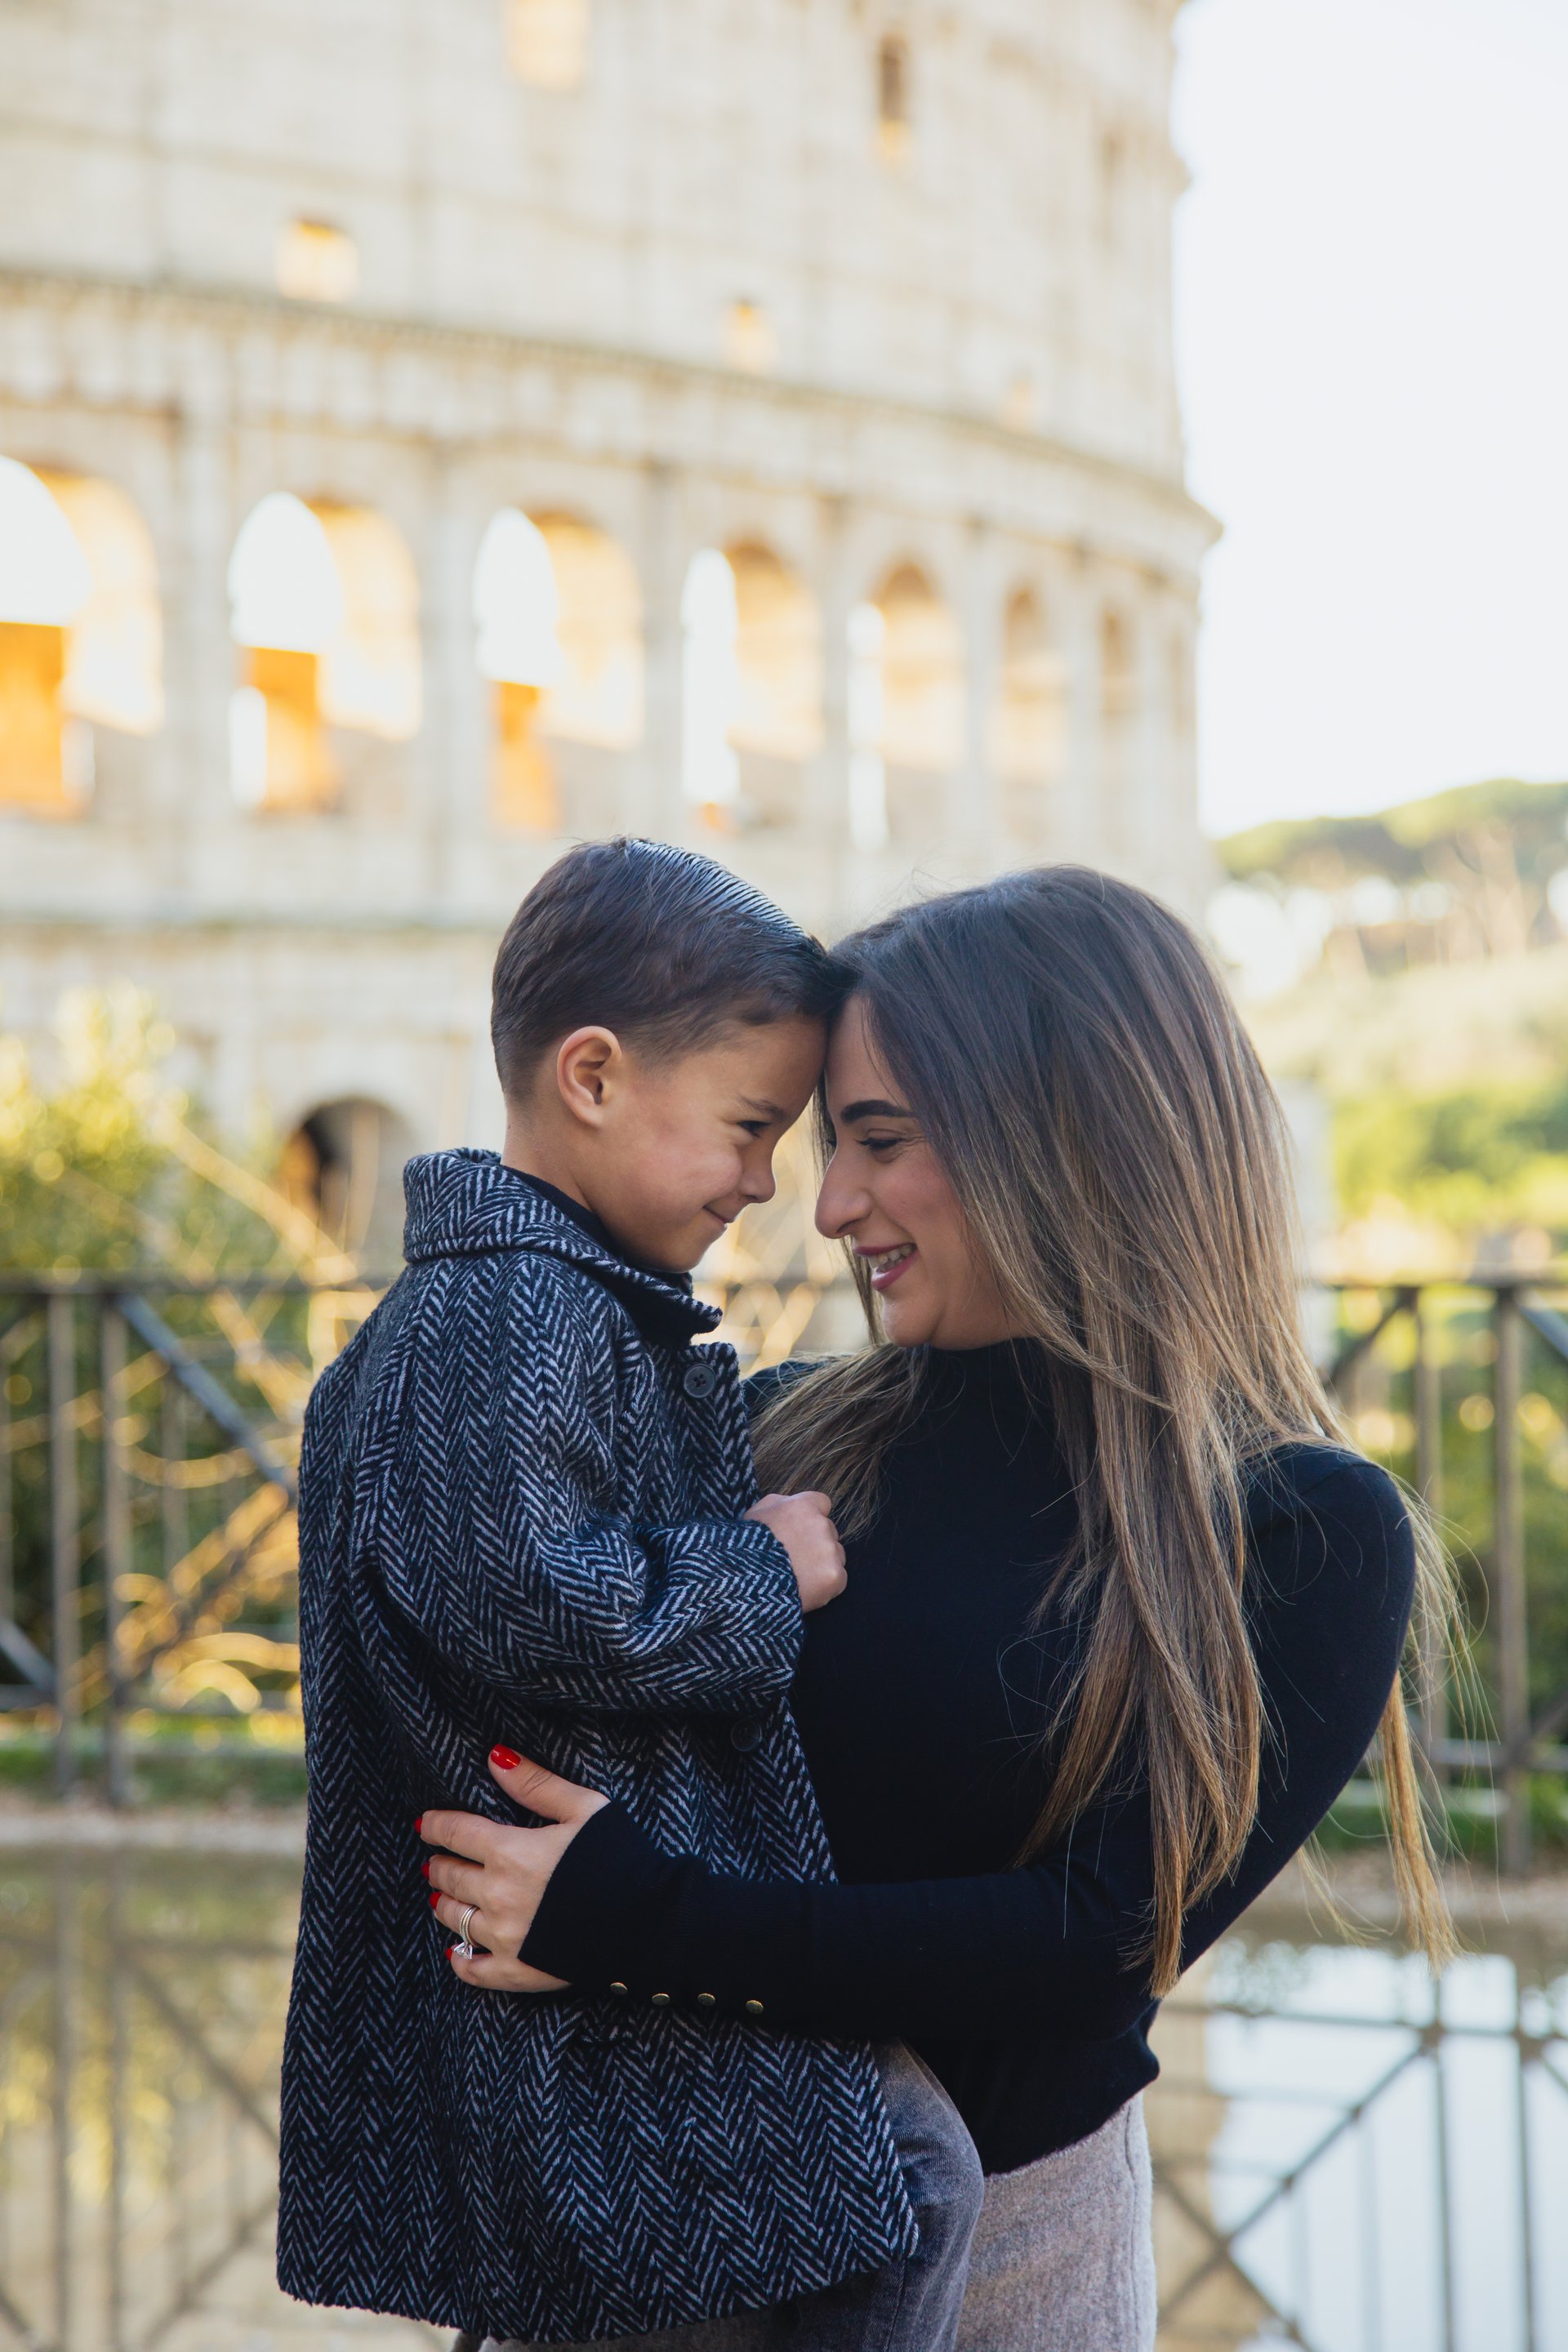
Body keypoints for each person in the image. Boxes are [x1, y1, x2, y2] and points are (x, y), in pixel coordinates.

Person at [422, 865, 1455, 2352]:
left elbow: (1093, 1947)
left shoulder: (1297, 1528)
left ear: (1067, 1136)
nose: (830, 1204)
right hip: (657, 2224)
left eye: (881, 1141)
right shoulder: (774, 1437)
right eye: (826, 1143)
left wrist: (640, 1924)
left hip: (1015, 2261)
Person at [278, 840, 982, 2350]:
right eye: (749, 1127)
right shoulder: (510, 1309)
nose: (767, 1181)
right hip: (561, 1933)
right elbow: (529, 1596)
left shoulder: (527, 1298)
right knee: (908, 2182)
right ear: (591, 1076)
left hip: (557, 1930)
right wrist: (760, 1571)